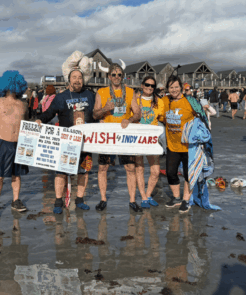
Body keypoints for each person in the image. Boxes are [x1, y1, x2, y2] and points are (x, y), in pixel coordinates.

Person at [37, 51, 96, 214]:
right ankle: (58, 201)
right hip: (66, 142)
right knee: (61, 172)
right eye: (74, 77)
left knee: (84, 172)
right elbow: (49, 113)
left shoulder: (90, 95)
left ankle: (80, 199)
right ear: (69, 79)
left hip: (86, 142)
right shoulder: (61, 97)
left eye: (80, 77)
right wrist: (40, 120)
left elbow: (97, 115)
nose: (77, 80)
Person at [93, 60, 141, 212]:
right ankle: (103, 199)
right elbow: (94, 114)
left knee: (130, 167)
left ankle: (132, 201)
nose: (116, 77)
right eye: (113, 74)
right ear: (109, 76)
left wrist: (130, 119)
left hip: (125, 135)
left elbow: (138, 113)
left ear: (123, 76)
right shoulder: (101, 92)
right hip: (107, 136)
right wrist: (105, 109)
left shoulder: (131, 92)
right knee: (103, 167)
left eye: (119, 75)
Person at [0, 70, 29, 218]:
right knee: (0, 176)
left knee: (17, 174)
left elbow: (27, 125)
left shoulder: (23, 104)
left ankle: (15, 200)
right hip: (3, 142)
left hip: (20, 143)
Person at [162, 76, 197, 213]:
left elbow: (200, 117)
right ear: (168, 89)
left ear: (181, 87)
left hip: (189, 146)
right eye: (171, 87)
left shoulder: (189, 101)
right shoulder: (165, 100)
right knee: (170, 172)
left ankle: (186, 200)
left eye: (176, 87)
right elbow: (157, 115)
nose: (174, 90)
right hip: (172, 145)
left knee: (188, 175)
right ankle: (176, 198)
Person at [134, 76, 164, 209]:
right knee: (139, 168)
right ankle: (143, 197)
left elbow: (163, 118)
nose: (150, 88)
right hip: (137, 138)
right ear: (142, 85)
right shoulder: (134, 99)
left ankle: (148, 194)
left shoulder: (159, 101)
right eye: (147, 85)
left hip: (152, 140)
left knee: (155, 171)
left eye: (152, 86)